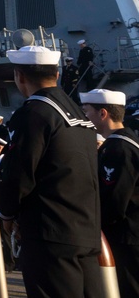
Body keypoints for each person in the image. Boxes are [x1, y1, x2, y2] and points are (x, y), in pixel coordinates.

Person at [0, 46, 101, 298]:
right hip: (85, 230)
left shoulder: (33, 113)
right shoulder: (78, 115)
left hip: (49, 234)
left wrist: (6, 214)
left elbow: (19, 174)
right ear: (56, 72)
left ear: (19, 77)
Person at [80, 88, 139, 295]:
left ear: (102, 113)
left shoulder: (118, 149)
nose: (85, 116)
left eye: (87, 111)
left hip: (125, 238)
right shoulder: (127, 142)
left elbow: (114, 201)